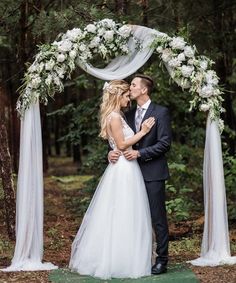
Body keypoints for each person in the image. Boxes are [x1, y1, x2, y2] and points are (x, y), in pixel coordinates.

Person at [69, 80, 155, 280]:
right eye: (126, 96)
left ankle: (127, 256)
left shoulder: (118, 116)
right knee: (122, 211)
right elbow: (122, 144)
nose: (128, 99)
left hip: (126, 167)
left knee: (125, 212)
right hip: (124, 169)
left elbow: (117, 146)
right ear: (118, 96)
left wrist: (114, 151)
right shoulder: (114, 117)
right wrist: (143, 132)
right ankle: (118, 260)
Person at [109, 74, 172, 275]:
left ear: (144, 90)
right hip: (129, 175)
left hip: (153, 172)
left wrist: (140, 153)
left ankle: (162, 260)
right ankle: (140, 257)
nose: (131, 87)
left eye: (134, 85)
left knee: (157, 218)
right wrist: (109, 153)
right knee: (132, 216)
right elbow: (118, 140)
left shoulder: (160, 112)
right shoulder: (126, 114)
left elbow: (164, 143)